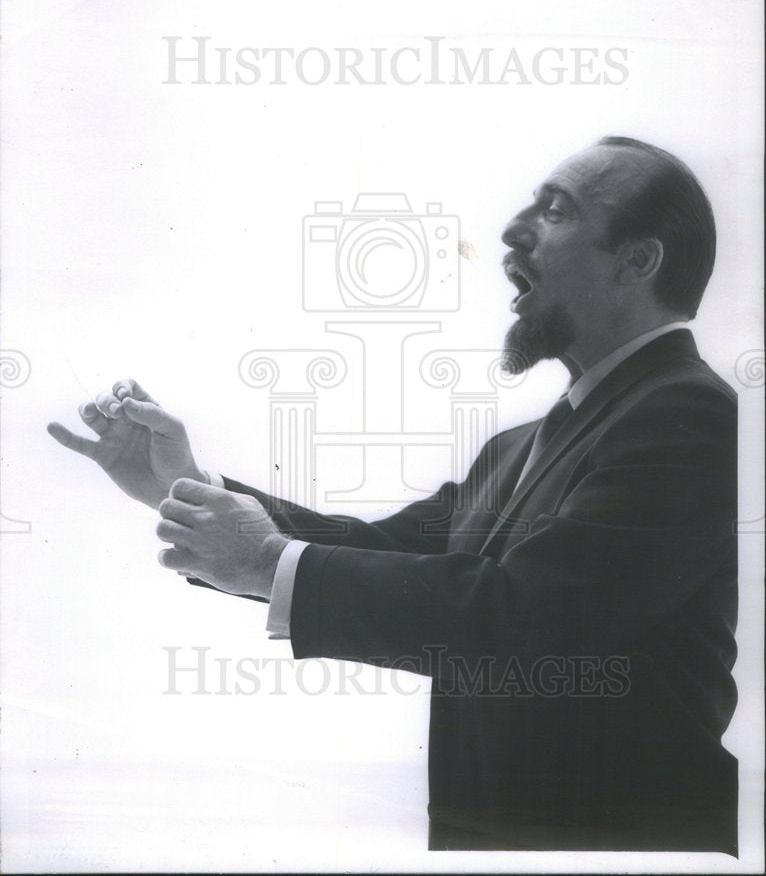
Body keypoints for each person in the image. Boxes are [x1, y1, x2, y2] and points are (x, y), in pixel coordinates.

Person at [48, 137, 738, 855]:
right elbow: (385, 552)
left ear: (638, 261)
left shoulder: (689, 415)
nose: (511, 230)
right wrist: (185, 485)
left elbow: (522, 620)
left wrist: (263, 561)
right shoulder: (521, 445)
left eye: (557, 211)